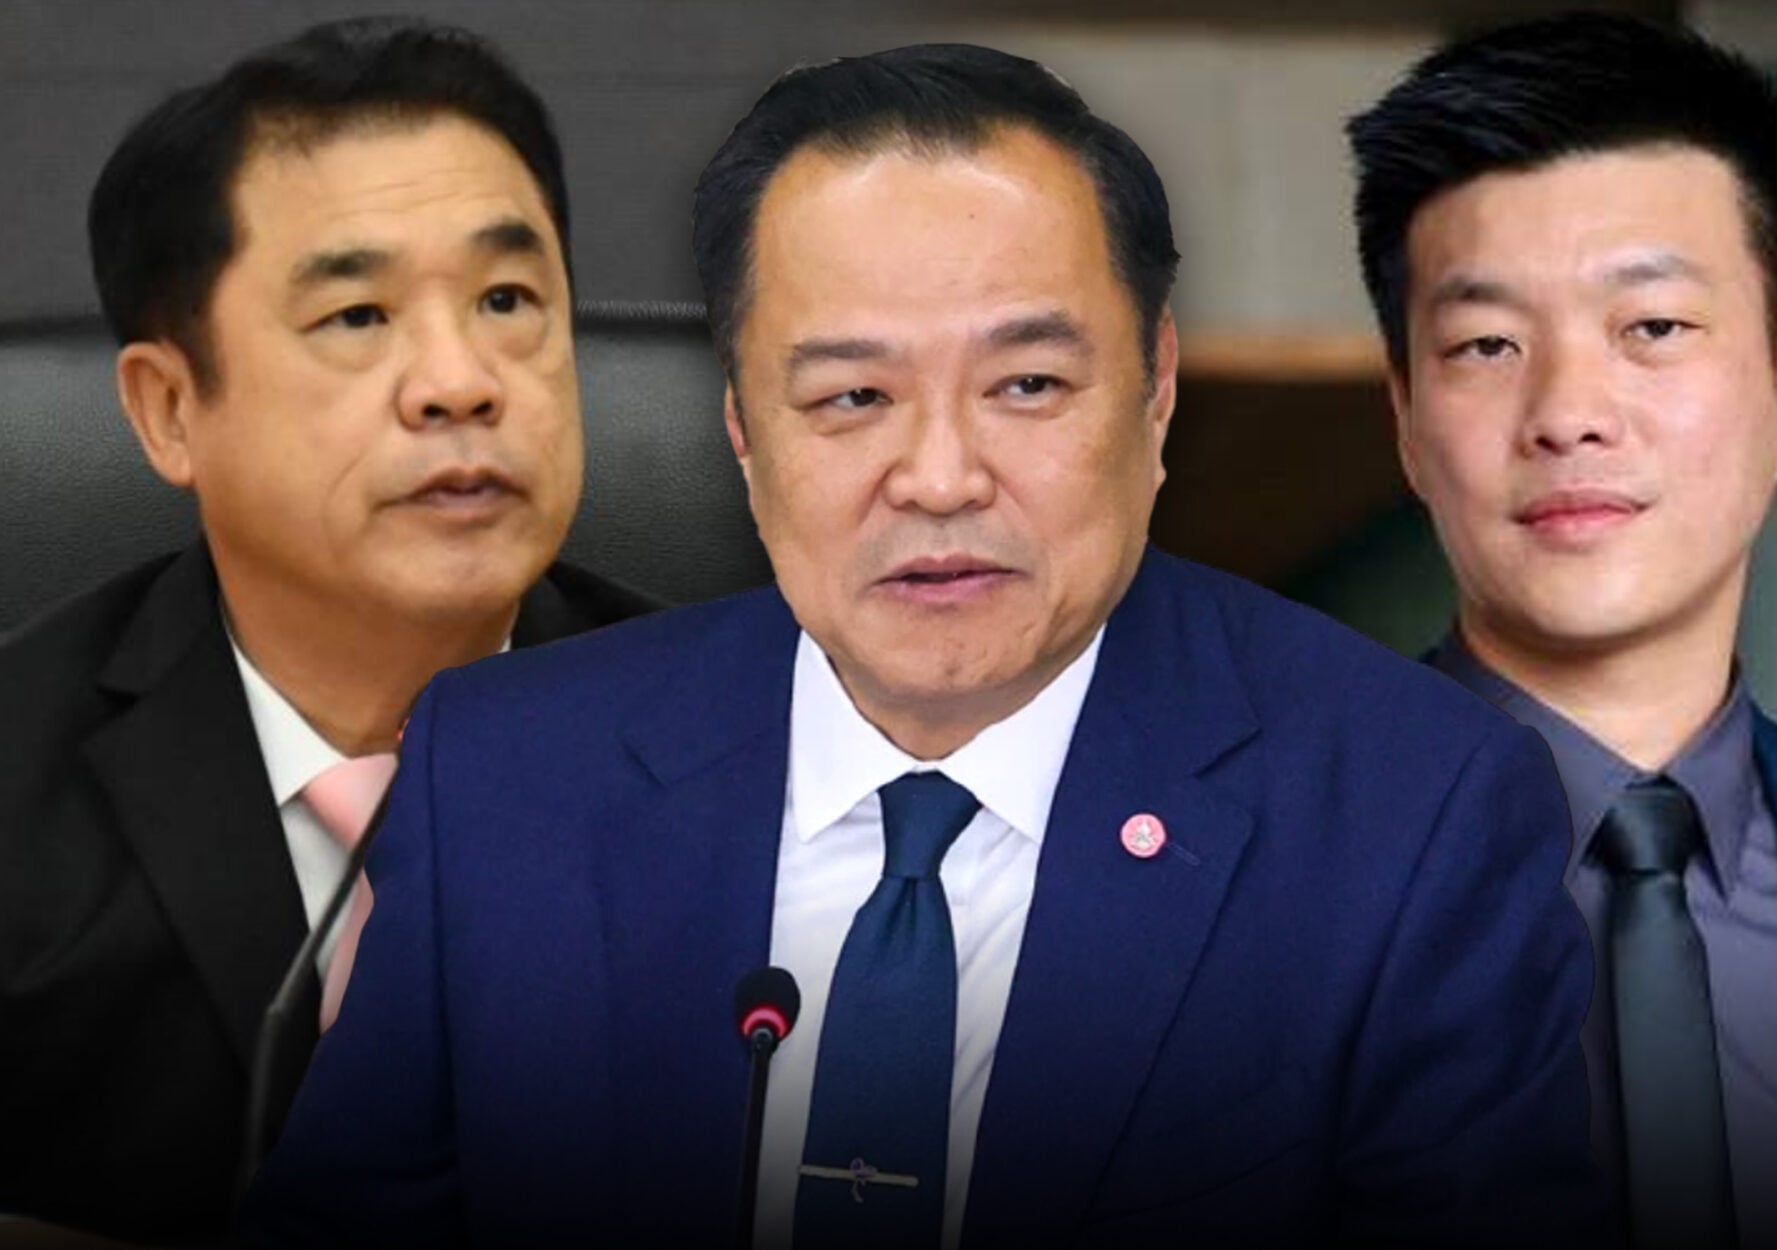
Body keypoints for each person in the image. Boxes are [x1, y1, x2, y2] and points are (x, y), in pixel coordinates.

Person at [245, 43, 1605, 1249]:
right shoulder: (504, 773)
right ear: (743, 430)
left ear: (1156, 393)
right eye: (852, 396)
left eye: (1027, 384)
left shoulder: (1412, 809)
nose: (941, 477)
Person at [0, 17, 660, 1244]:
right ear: (169, 409)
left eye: (508, 299)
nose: (460, 381)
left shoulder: (770, 749)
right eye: (357, 316)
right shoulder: (16, 797)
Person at [1348, 13, 1777, 1250]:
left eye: (1652, 326)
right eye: (1486, 343)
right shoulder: (1228, 904)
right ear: (1408, 420)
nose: (1568, 412)